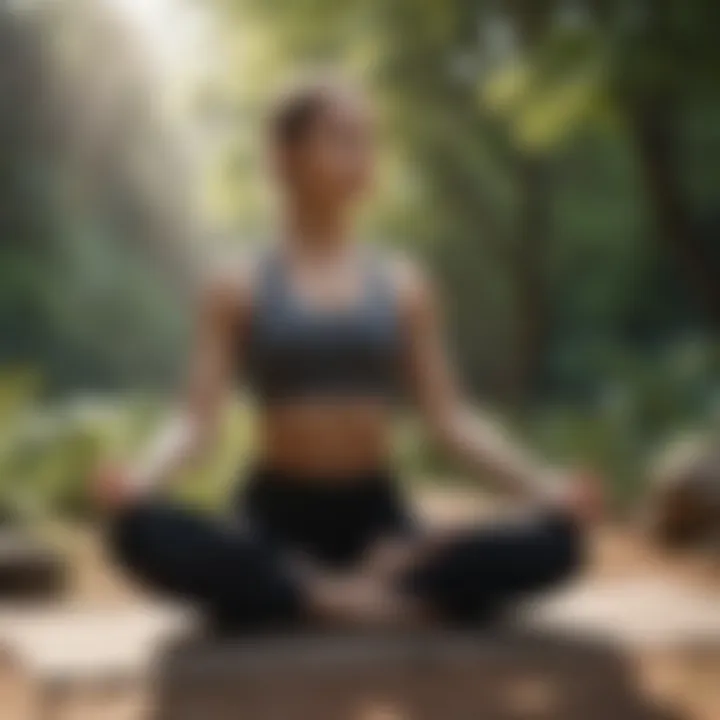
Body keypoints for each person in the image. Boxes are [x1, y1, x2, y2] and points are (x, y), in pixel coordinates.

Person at [94, 74, 601, 631]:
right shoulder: (236, 285)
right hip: (274, 516)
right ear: (284, 156)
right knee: (136, 531)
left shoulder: (405, 283)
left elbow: (451, 419)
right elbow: (195, 423)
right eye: (342, 138)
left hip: (377, 519)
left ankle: (315, 592)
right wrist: (142, 480)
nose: (362, 155)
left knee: (560, 541)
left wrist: (544, 485)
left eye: (368, 139)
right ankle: (351, 593)